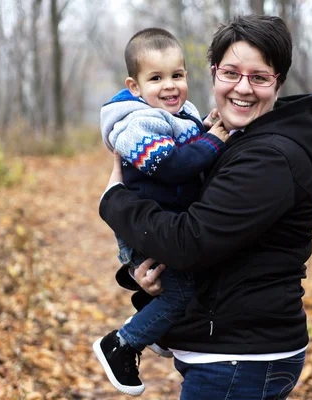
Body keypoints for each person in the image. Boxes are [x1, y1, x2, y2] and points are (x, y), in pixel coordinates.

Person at [99, 14, 312, 399]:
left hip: (240, 357)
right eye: (231, 73)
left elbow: (190, 241)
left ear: (279, 83)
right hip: (231, 352)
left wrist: (114, 200)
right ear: (213, 73)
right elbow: (198, 225)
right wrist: (145, 272)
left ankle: (126, 342)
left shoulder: (269, 158)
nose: (243, 87)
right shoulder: (236, 138)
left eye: (259, 76)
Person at [93, 27, 229, 397]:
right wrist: (214, 140)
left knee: (187, 287)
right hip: (147, 232)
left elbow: (186, 140)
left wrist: (207, 126)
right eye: (156, 78)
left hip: (166, 227)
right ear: (134, 86)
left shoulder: (178, 113)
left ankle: (161, 330)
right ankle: (123, 343)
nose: (170, 86)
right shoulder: (138, 122)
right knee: (179, 294)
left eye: (177, 75)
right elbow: (169, 164)